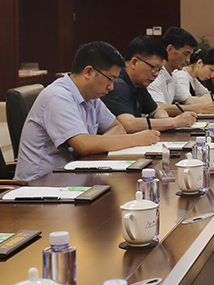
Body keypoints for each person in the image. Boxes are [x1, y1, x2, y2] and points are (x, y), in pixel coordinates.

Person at [14, 42, 160, 181]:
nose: (111, 87)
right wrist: (135, 139)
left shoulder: (91, 96)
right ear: (88, 72)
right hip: (39, 185)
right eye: (110, 79)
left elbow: (117, 127)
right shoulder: (58, 96)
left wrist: (94, 145)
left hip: (71, 176)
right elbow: (83, 145)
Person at [102, 36, 198, 132]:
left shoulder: (139, 84)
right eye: (153, 68)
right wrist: (174, 122)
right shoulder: (117, 85)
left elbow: (157, 110)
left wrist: (164, 120)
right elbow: (128, 124)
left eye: (159, 70)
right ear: (135, 62)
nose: (156, 74)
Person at [148, 27, 214, 116]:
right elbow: (156, 107)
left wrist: (203, 107)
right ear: (170, 49)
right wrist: (197, 108)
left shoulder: (172, 75)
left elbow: (186, 101)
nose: (188, 60)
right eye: (186, 54)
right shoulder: (154, 73)